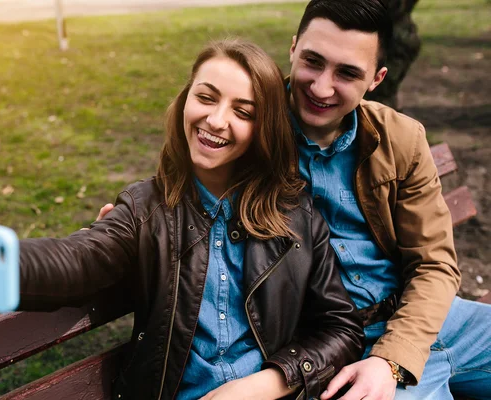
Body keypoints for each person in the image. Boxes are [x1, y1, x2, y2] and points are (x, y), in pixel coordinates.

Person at [0, 39, 365, 399]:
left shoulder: (294, 213)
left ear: (263, 129)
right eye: (207, 97)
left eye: (243, 111)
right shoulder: (146, 211)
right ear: (184, 101)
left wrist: (266, 384)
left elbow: (340, 327)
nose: (217, 121)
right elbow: (70, 262)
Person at [93, 1, 491, 399]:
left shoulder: (401, 138)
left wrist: (391, 359)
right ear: (293, 48)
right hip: (346, 350)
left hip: (425, 322)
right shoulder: (249, 126)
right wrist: (130, 226)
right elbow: (181, 183)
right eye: (312, 61)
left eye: (347, 73)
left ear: (377, 78)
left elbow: (435, 263)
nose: (321, 87)